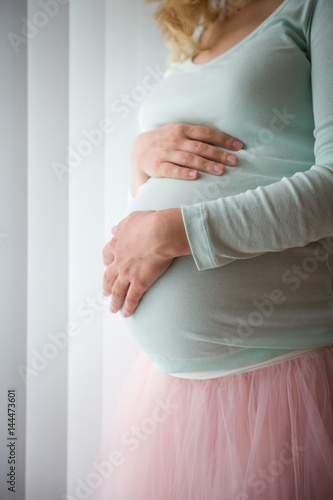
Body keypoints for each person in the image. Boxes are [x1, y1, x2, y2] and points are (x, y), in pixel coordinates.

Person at [93, 0, 333, 498]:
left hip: (289, 377)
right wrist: (138, 161)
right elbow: (168, 193)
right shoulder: (197, 25)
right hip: (175, 392)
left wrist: (177, 231)